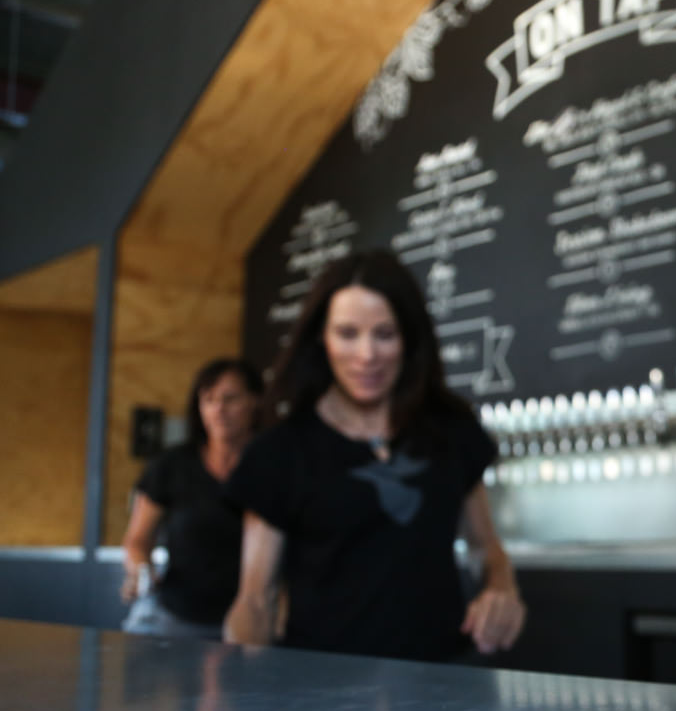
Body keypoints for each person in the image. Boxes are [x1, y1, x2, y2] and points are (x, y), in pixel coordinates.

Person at [222, 250, 526, 662]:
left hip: (442, 687)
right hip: (326, 699)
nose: (367, 355)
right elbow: (256, 600)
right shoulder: (280, 452)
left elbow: (486, 549)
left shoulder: (450, 428)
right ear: (321, 339)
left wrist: (501, 589)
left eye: (384, 334)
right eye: (347, 334)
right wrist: (242, 694)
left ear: (409, 338)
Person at [120, 358, 263, 639]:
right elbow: (137, 540)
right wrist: (141, 572)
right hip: (178, 618)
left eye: (230, 398)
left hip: (255, 624)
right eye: (209, 399)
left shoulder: (275, 466)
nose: (219, 410)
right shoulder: (171, 465)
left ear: (255, 401)